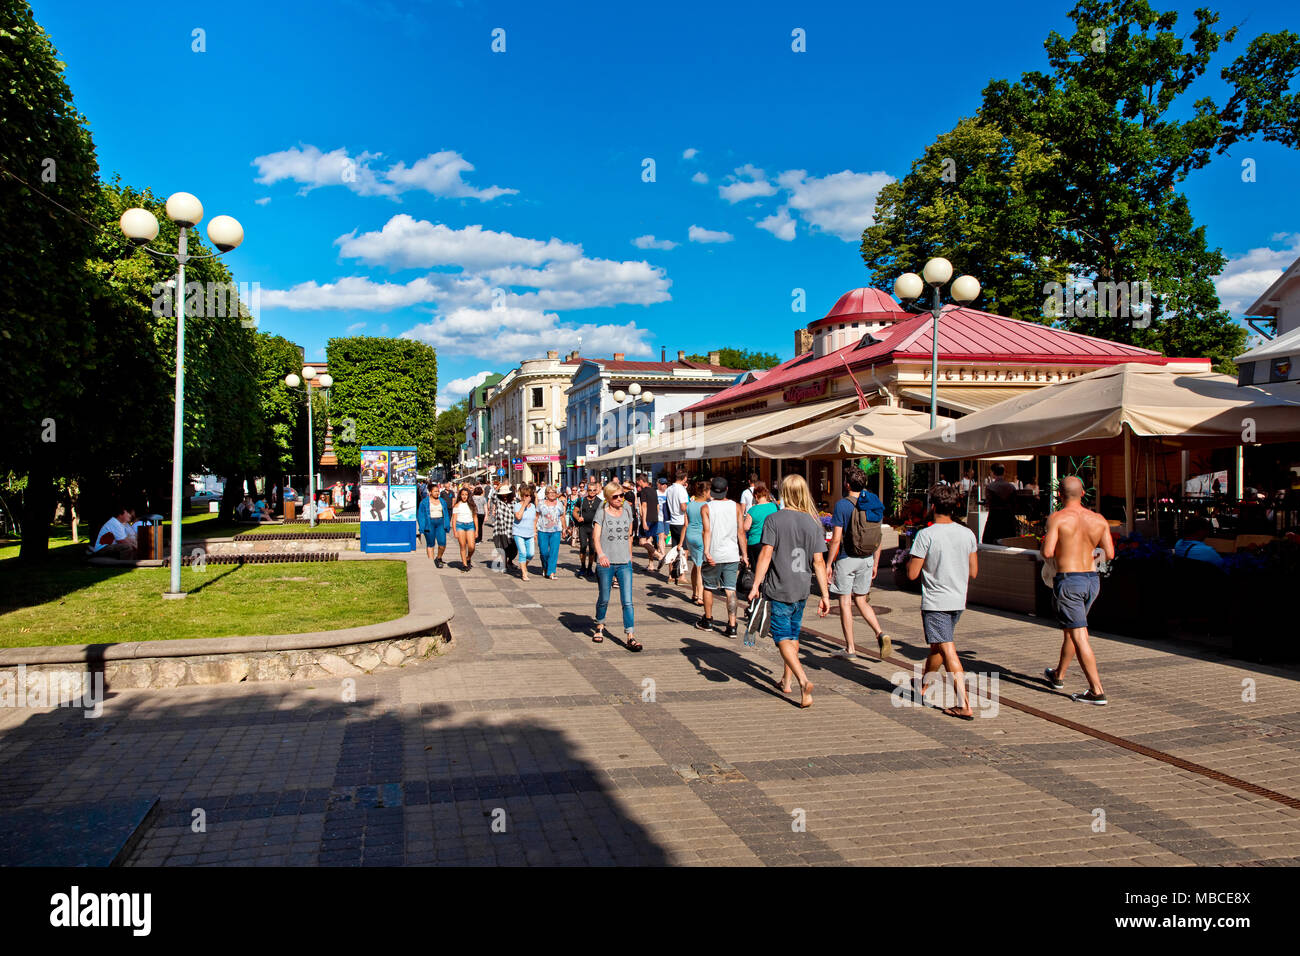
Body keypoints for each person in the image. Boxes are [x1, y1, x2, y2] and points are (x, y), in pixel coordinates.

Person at [747, 475, 830, 709]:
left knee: (782, 638)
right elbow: (819, 562)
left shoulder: (774, 519)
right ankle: (786, 681)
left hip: (779, 588)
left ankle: (803, 681)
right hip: (802, 588)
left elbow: (765, 554)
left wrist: (755, 585)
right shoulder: (813, 522)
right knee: (793, 636)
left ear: (784, 492)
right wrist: (825, 595)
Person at [906, 483, 980, 720]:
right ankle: (924, 685)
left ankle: (964, 703)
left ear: (933, 506)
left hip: (936, 601)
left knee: (947, 649)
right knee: (938, 646)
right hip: (958, 599)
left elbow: (912, 574)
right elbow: (974, 571)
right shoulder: (967, 533)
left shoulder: (926, 535)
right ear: (955, 506)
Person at [1041, 475, 1114, 705]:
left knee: (1079, 635)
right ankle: (1058, 675)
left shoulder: (1058, 518)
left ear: (1059, 496)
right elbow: (1109, 554)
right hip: (1092, 579)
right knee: (1073, 629)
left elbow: (1047, 552)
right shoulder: (1099, 519)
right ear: (1083, 493)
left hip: (1069, 580)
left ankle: (1096, 690)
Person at [826, 465, 892, 660]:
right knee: (861, 600)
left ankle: (850, 648)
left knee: (845, 602)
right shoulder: (874, 503)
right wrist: (876, 562)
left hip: (847, 558)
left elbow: (836, 539)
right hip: (867, 558)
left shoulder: (842, 505)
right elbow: (877, 536)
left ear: (847, 484)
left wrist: (829, 563)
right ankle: (880, 632)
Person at [592, 480, 640, 650]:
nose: (620, 499)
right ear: (608, 498)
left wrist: (630, 557)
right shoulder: (602, 513)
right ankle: (599, 626)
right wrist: (601, 555)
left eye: (622, 495)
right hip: (606, 563)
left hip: (624, 562)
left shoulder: (627, 510)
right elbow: (596, 538)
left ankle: (630, 636)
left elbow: (629, 536)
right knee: (604, 598)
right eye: (616, 496)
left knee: (627, 601)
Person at [696, 476, 746, 637]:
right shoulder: (736, 507)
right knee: (730, 589)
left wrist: (706, 551)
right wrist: (744, 554)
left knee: (709, 587)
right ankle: (732, 626)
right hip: (731, 554)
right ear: (726, 490)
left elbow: (707, 531)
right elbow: (740, 532)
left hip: (714, 554)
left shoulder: (706, 508)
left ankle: (708, 620)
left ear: (711, 491)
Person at [681, 478, 710, 606]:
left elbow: (685, 524)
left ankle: (694, 592)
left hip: (690, 535)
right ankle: (700, 596)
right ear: (705, 492)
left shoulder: (690, 504)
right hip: (700, 536)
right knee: (700, 569)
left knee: (695, 564)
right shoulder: (706, 506)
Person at [661, 469, 691, 585]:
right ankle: (682, 576)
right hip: (681, 521)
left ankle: (671, 575)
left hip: (672, 521)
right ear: (684, 478)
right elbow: (683, 507)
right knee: (684, 549)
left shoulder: (669, 489)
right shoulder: (681, 490)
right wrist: (690, 505)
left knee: (674, 549)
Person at [742, 482, 779, 571]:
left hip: (755, 542)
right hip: (771, 541)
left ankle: (758, 584)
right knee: (770, 568)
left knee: (756, 569)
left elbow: (746, 527)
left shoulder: (752, 510)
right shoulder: (774, 507)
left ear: (755, 496)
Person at [982, 463, 1019, 544]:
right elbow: (1015, 504)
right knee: (1009, 544)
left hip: (994, 520)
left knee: (989, 544)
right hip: (1008, 520)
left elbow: (988, 503)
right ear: (1003, 472)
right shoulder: (1011, 487)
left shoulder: (990, 487)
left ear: (993, 472)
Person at [573, 478, 603, 577]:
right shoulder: (581, 500)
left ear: (597, 490)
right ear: (587, 490)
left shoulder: (600, 502)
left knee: (592, 548)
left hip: (594, 527)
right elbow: (574, 511)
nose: (592, 492)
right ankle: (582, 567)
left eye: (594, 490)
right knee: (583, 546)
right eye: (590, 490)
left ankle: (590, 568)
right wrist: (578, 517)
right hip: (583, 526)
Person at [536, 485, 567, 579]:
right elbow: (536, 516)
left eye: (554, 492)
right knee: (544, 552)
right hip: (542, 530)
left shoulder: (559, 504)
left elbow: (562, 517)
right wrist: (534, 530)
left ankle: (551, 572)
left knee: (554, 552)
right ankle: (545, 567)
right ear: (546, 494)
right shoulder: (541, 504)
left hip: (556, 531)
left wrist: (564, 528)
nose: (553, 494)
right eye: (550, 492)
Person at [634, 473, 663, 569]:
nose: (637, 484)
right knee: (649, 541)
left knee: (642, 542)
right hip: (655, 518)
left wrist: (644, 521)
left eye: (638, 482)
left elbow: (644, 506)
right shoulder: (654, 491)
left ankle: (659, 556)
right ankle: (651, 565)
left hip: (648, 519)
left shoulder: (644, 492)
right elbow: (657, 506)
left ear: (641, 481)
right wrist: (655, 516)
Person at [512, 484, 538, 581]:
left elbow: (534, 520)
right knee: (522, 552)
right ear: (522, 496)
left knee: (530, 554)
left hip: (530, 533)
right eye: (526, 495)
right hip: (518, 532)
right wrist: (524, 504)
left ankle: (524, 566)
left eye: (530, 495)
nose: (528, 497)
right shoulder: (517, 506)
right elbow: (518, 517)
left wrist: (535, 532)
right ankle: (524, 573)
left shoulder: (533, 507)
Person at [418, 480, 447, 564]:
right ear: (430, 492)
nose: (437, 493)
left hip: (440, 523)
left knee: (442, 543)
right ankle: (431, 564)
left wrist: (447, 524)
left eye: (438, 491)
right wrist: (422, 527)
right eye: (435, 491)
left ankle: (438, 557)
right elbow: (421, 515)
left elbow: (446, 514)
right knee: (430, 544)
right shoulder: (424, 502)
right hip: (429, 523)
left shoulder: (442, 501)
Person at [452, 486, 478, 571]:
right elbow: (454, 519)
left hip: (470, 525)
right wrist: (454, 531)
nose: (464, 496)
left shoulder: (472, 505)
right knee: (462, 545)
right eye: (462, 494)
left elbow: (475, 518)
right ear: (460, 495)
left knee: (471, 546)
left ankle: (468, 557)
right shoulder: (457, 505)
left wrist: (477, 530)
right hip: (460, 526)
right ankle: (464, 564)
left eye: (466, 495)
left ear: (468, 496)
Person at [492, 483, 516, 570]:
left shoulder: (514, 502)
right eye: (503, 495)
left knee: (514, 549)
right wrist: (499, 486)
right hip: (501, 529)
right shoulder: (498, 502)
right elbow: (493, 496)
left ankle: (510, 561)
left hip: (512, 529)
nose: (504, 496)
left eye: (506, 495)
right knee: (503, 547)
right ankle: (505, 564)